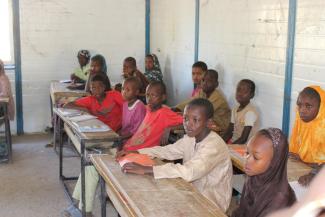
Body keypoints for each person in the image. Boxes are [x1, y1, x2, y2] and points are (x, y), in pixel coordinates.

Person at [119, 98, 233, 212]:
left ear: (209, 122)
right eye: (185, 118)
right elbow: (169, 150)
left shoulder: (214, 146)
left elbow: (189, 171)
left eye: (195, 120)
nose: (188, 124)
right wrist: (138, 152)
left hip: (211, 202)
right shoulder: (191, 137)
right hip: (192, 190)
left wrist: (149, 169)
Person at [62, 74, 123, 217]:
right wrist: (86, 110)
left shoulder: (114, 95)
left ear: (104, 87)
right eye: (91, 87)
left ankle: (81, 208)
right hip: (105, 139)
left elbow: (127, 106)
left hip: (117, 141)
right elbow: (66, 105)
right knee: (90, 164)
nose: (93, 90)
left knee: (91, 166)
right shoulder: (90, 100)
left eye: (97, 87)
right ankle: (81, 207)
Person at [231, 128, 296, 217]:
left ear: (274, 162)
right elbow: (241, 211)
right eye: (247, 153)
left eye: (256, 158)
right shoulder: (253, 178)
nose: (247, 159)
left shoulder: (279, 199)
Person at [121, 81, 183, 151]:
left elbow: (187, 122)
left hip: (144, 152)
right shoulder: (148, 109)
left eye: (153, 95)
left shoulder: (164, 113)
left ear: (163, 97)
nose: (149, 99)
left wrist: (170, 129)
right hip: (130, 147)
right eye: (147, 95)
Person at [175, 69, 231, 136]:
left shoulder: (218, 99)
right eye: (203, 80)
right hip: (206, 123)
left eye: (209, 81)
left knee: (188, 120)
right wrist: (176, 108)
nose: (204, 83)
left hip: (219, 130)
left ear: (216, 84)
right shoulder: (202, 92)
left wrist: (184, 115)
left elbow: (202, 114)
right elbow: (191, 101)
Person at [289, 86, 325, 186]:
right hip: (309, 170)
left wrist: (314, 174)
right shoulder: (302, 122)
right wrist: (303, 160)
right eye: (299, 105)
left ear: (321, 107)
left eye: (308, 106)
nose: (302, 110)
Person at [223, 79, 259, 144]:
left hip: (244, 146)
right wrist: (220, 143)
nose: (240, 93)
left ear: (252, 95)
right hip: (233, 142)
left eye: (244, 91)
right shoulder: (235, 109)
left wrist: (229, 148)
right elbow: (229, 132)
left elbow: (244, 139)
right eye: (238, 90)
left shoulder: (250, 112)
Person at [119, 77, 146, 143]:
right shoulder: (125, 104)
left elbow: (137, 130)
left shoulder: (139, 107)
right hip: (124, 137)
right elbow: (125, 126)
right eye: (123, 89)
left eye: (128, 90)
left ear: (136, 92)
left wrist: (121, 138)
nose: (124, 92)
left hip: (135, 139)